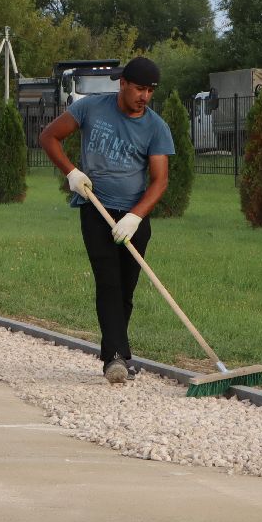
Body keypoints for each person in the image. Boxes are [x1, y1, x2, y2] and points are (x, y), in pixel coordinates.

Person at [39, 56, 174, 385]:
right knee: (108, 282)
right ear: (123, 84)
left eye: (150, 91)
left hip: (132, 217)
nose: (144, 96)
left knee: (126, 289)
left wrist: (135, 216)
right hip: (96, 210)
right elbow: (49, 137)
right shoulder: (90, 109)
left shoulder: (156, 126)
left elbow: (159, 180)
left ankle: (119, 353)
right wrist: (71, 172)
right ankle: (114, 358)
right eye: (139, 88)